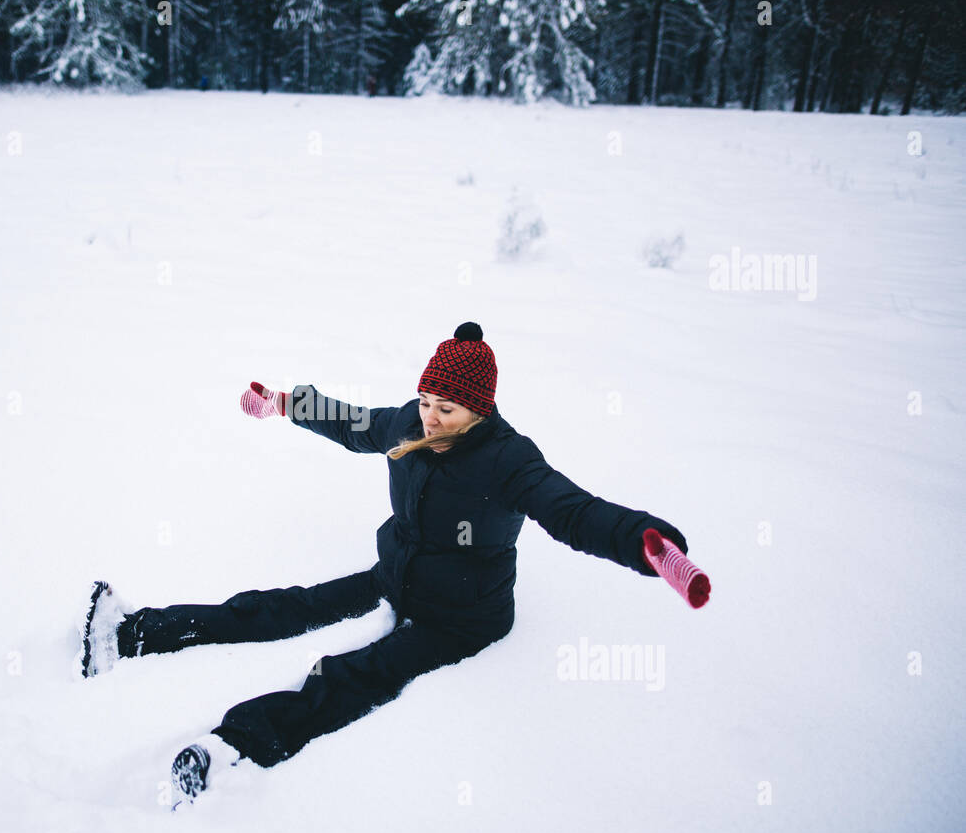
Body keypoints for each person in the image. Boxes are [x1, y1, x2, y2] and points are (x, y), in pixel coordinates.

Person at [75, 322, 691, 801]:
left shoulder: (509, 461)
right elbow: (352, 423)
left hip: (462, 617)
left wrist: (649, 546)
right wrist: (287, 403)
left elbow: (575, 511)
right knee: (279, 607)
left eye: (446, 408)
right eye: (426, 400)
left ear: (480, 411)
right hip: (394, 576)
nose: (430, 416)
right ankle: (131, 634)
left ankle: (234, 746)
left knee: (355, 675)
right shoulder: (408, 423)